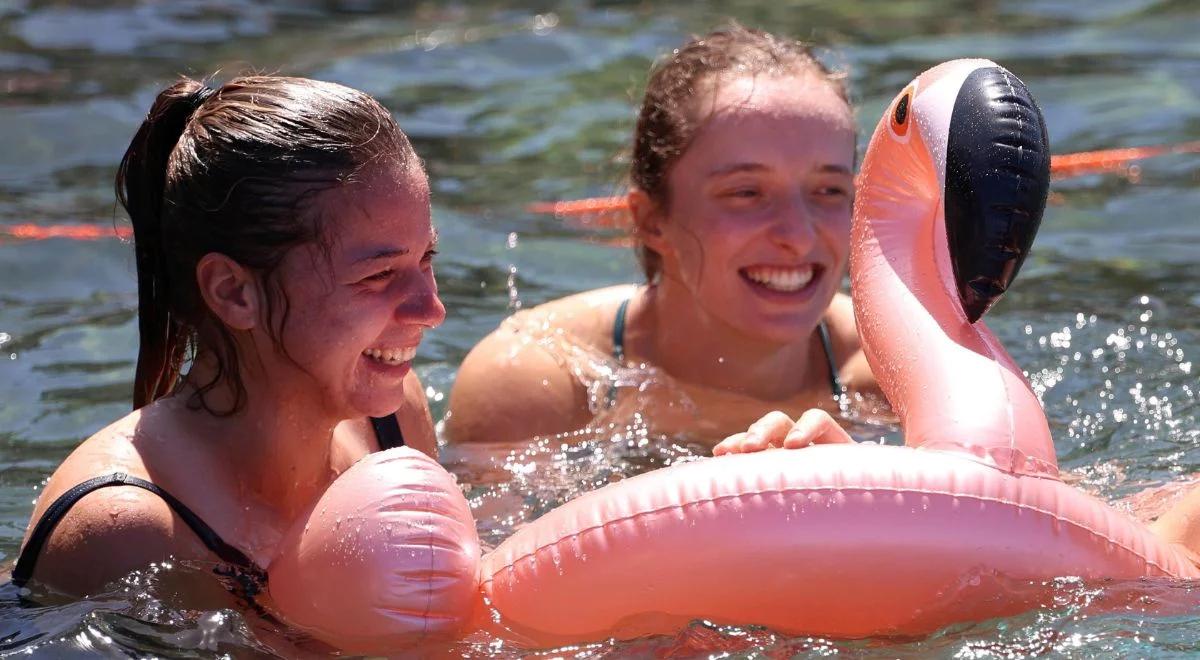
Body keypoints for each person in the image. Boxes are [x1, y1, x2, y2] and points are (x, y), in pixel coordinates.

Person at [13, 75, 445, 596]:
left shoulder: (391, 421)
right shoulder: (132, 531)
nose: (432, 309)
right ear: (234, 292)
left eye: (427, 259)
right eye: (378, 276)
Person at [447, 24, 878, 446]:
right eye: (746, 192)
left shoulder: (894, 371)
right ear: (652, 220)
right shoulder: (541, 386)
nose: (799, 237)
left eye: (828, 191)